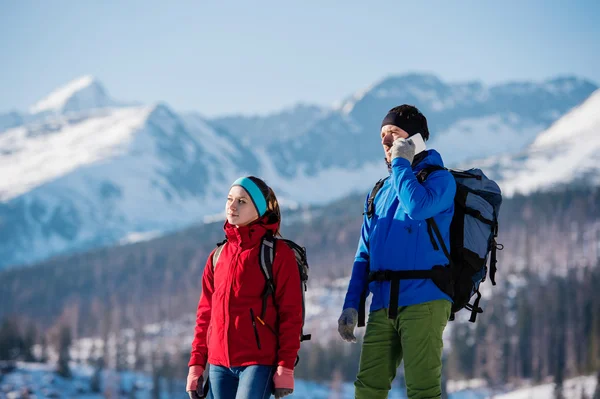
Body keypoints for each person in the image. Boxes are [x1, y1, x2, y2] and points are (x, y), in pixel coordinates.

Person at [337, 105, 456, 399]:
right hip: (382, 304)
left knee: (422, 391)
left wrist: (402, 163)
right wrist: (352, 303)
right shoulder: (379, 191)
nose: (387, 141)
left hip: (425, 299)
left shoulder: (441, 180)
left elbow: (417, 207)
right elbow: (363, 254)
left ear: (415, 138)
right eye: (382, 136)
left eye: (394, 133)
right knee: (368, 389)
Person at [186, 176, 302, 399]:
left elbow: (291, 314)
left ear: (258, 209)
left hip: (258, 361)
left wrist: (285, 367)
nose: (232, 206)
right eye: (230, 199)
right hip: (219, 363)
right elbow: (205, 316)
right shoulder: (217, 256)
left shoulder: (277, 254)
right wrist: (196, 365)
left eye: (242, 201)